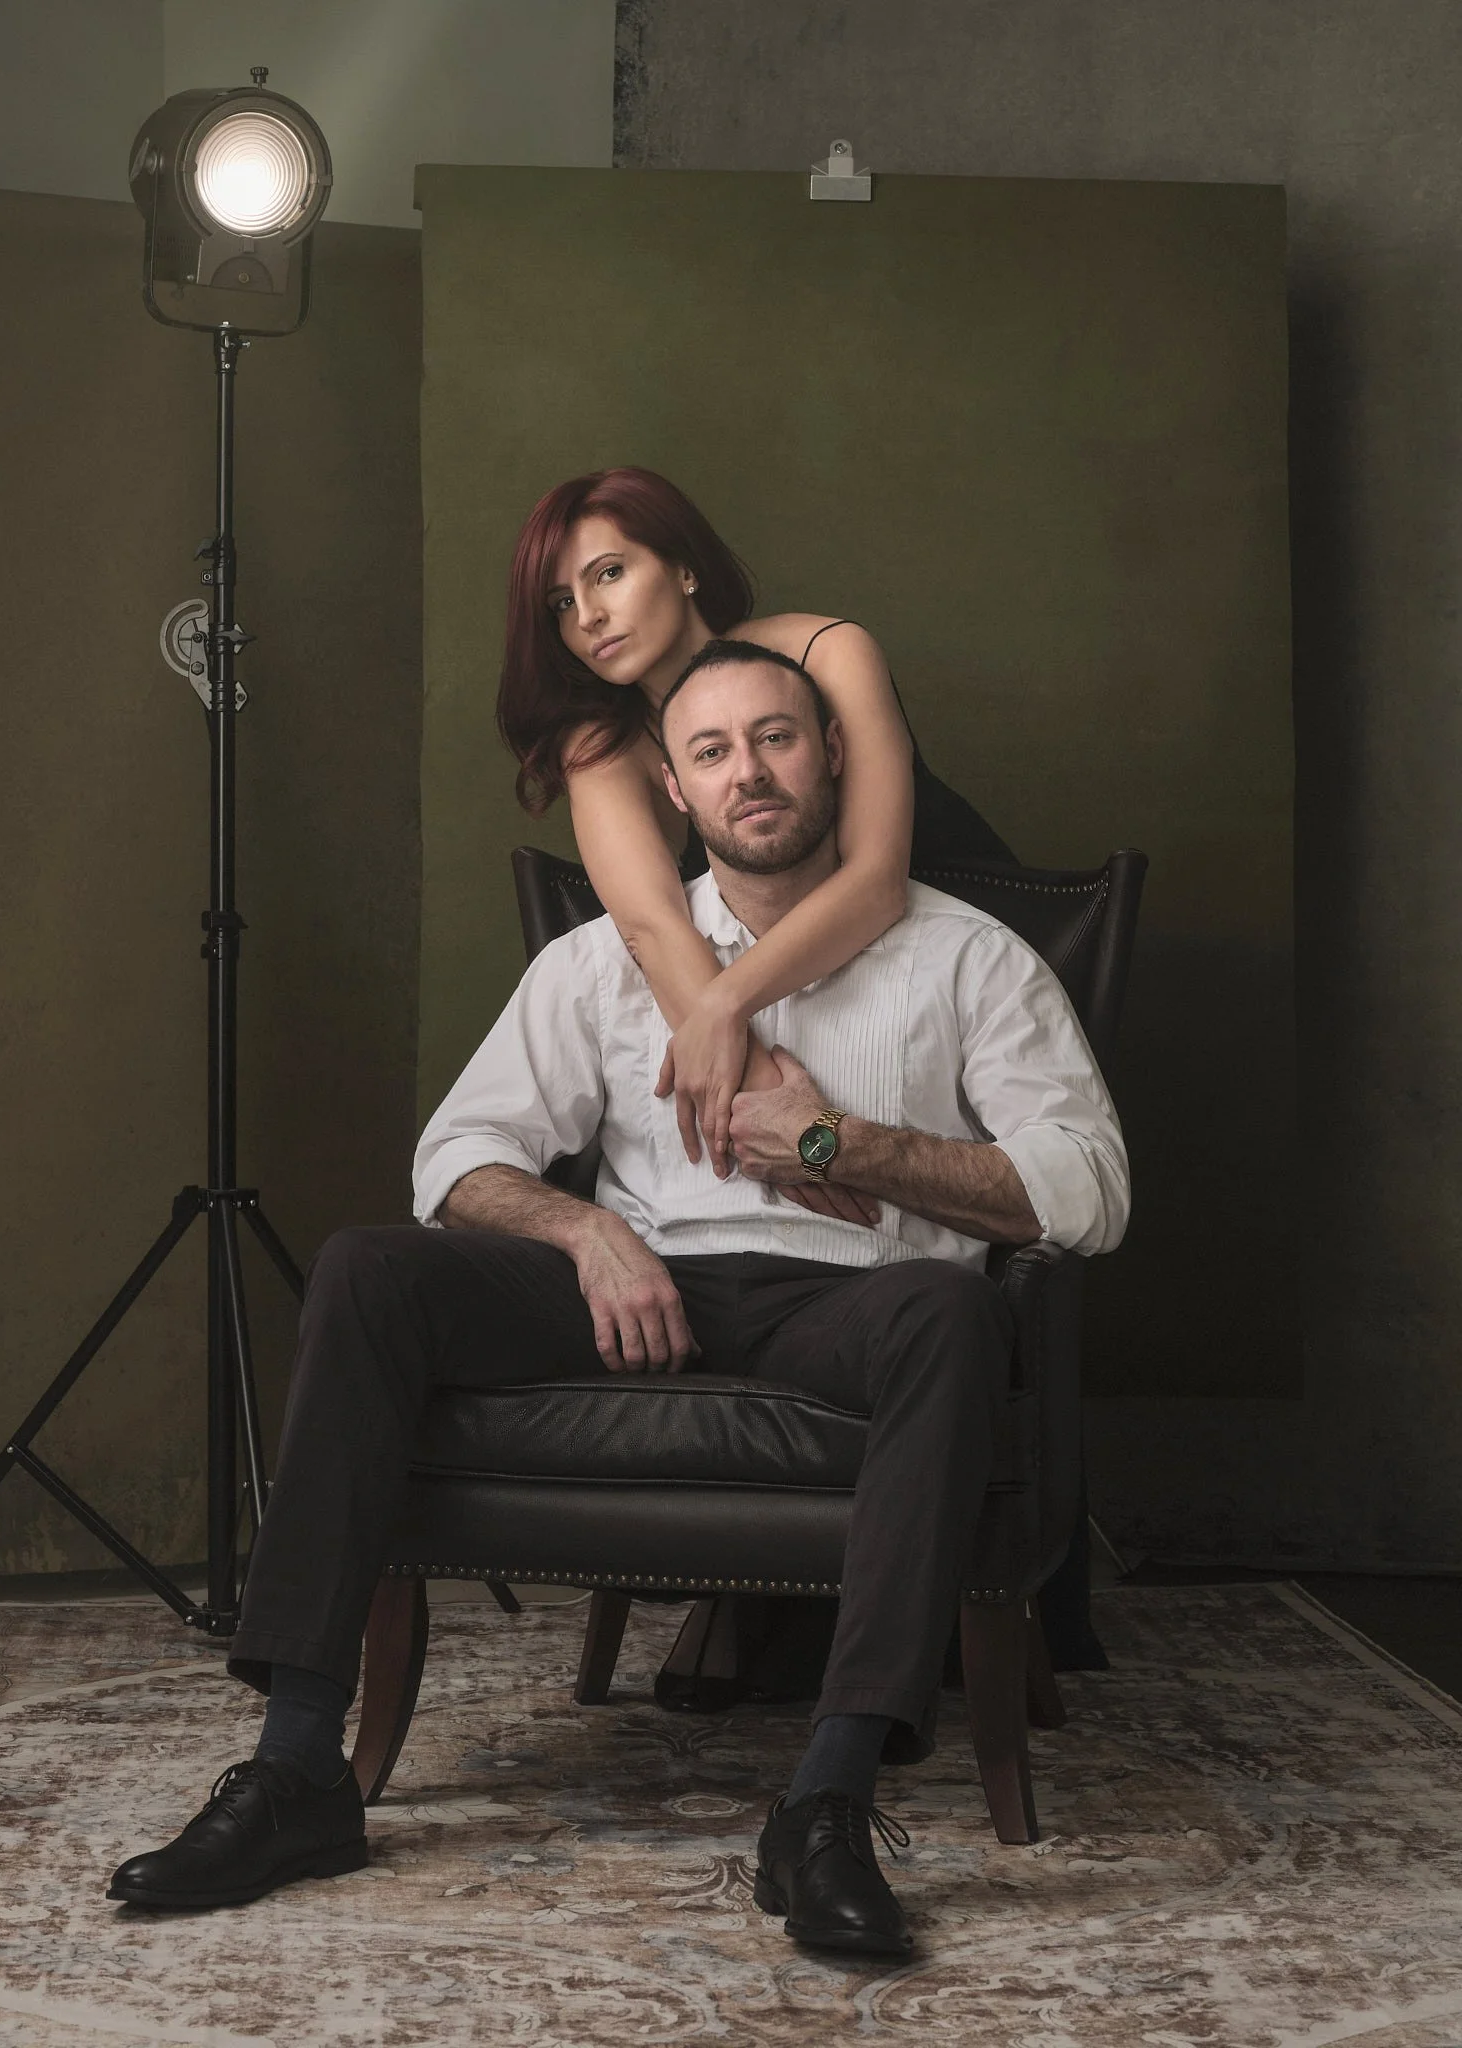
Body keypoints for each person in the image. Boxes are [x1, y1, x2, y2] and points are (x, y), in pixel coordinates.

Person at [106, 638, 1128, 1956]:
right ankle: (300, 1767)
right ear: (675, 788)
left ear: (834, 756)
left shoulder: (969, 959)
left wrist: (842, 1147)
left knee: (953, 1310)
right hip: (645, 1289)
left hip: (858, 1303)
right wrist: (583, 1228)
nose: (749, 772)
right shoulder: (604, 963)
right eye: (712, 751)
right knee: (370, 1266)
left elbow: (1090, 1188)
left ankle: (824, 1802)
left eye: (777, 737)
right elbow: (454, 1160)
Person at [497, 465, 1013, 1208]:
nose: (588, 617)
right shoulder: (602, 748)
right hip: (805, 1018)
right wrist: (790, 1127)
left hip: (944, 958)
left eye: (608, 573)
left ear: (682, 568)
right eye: (561, 603)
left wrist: (723, 1009)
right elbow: (652, 929)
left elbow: (874, 884)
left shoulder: (828, 653)